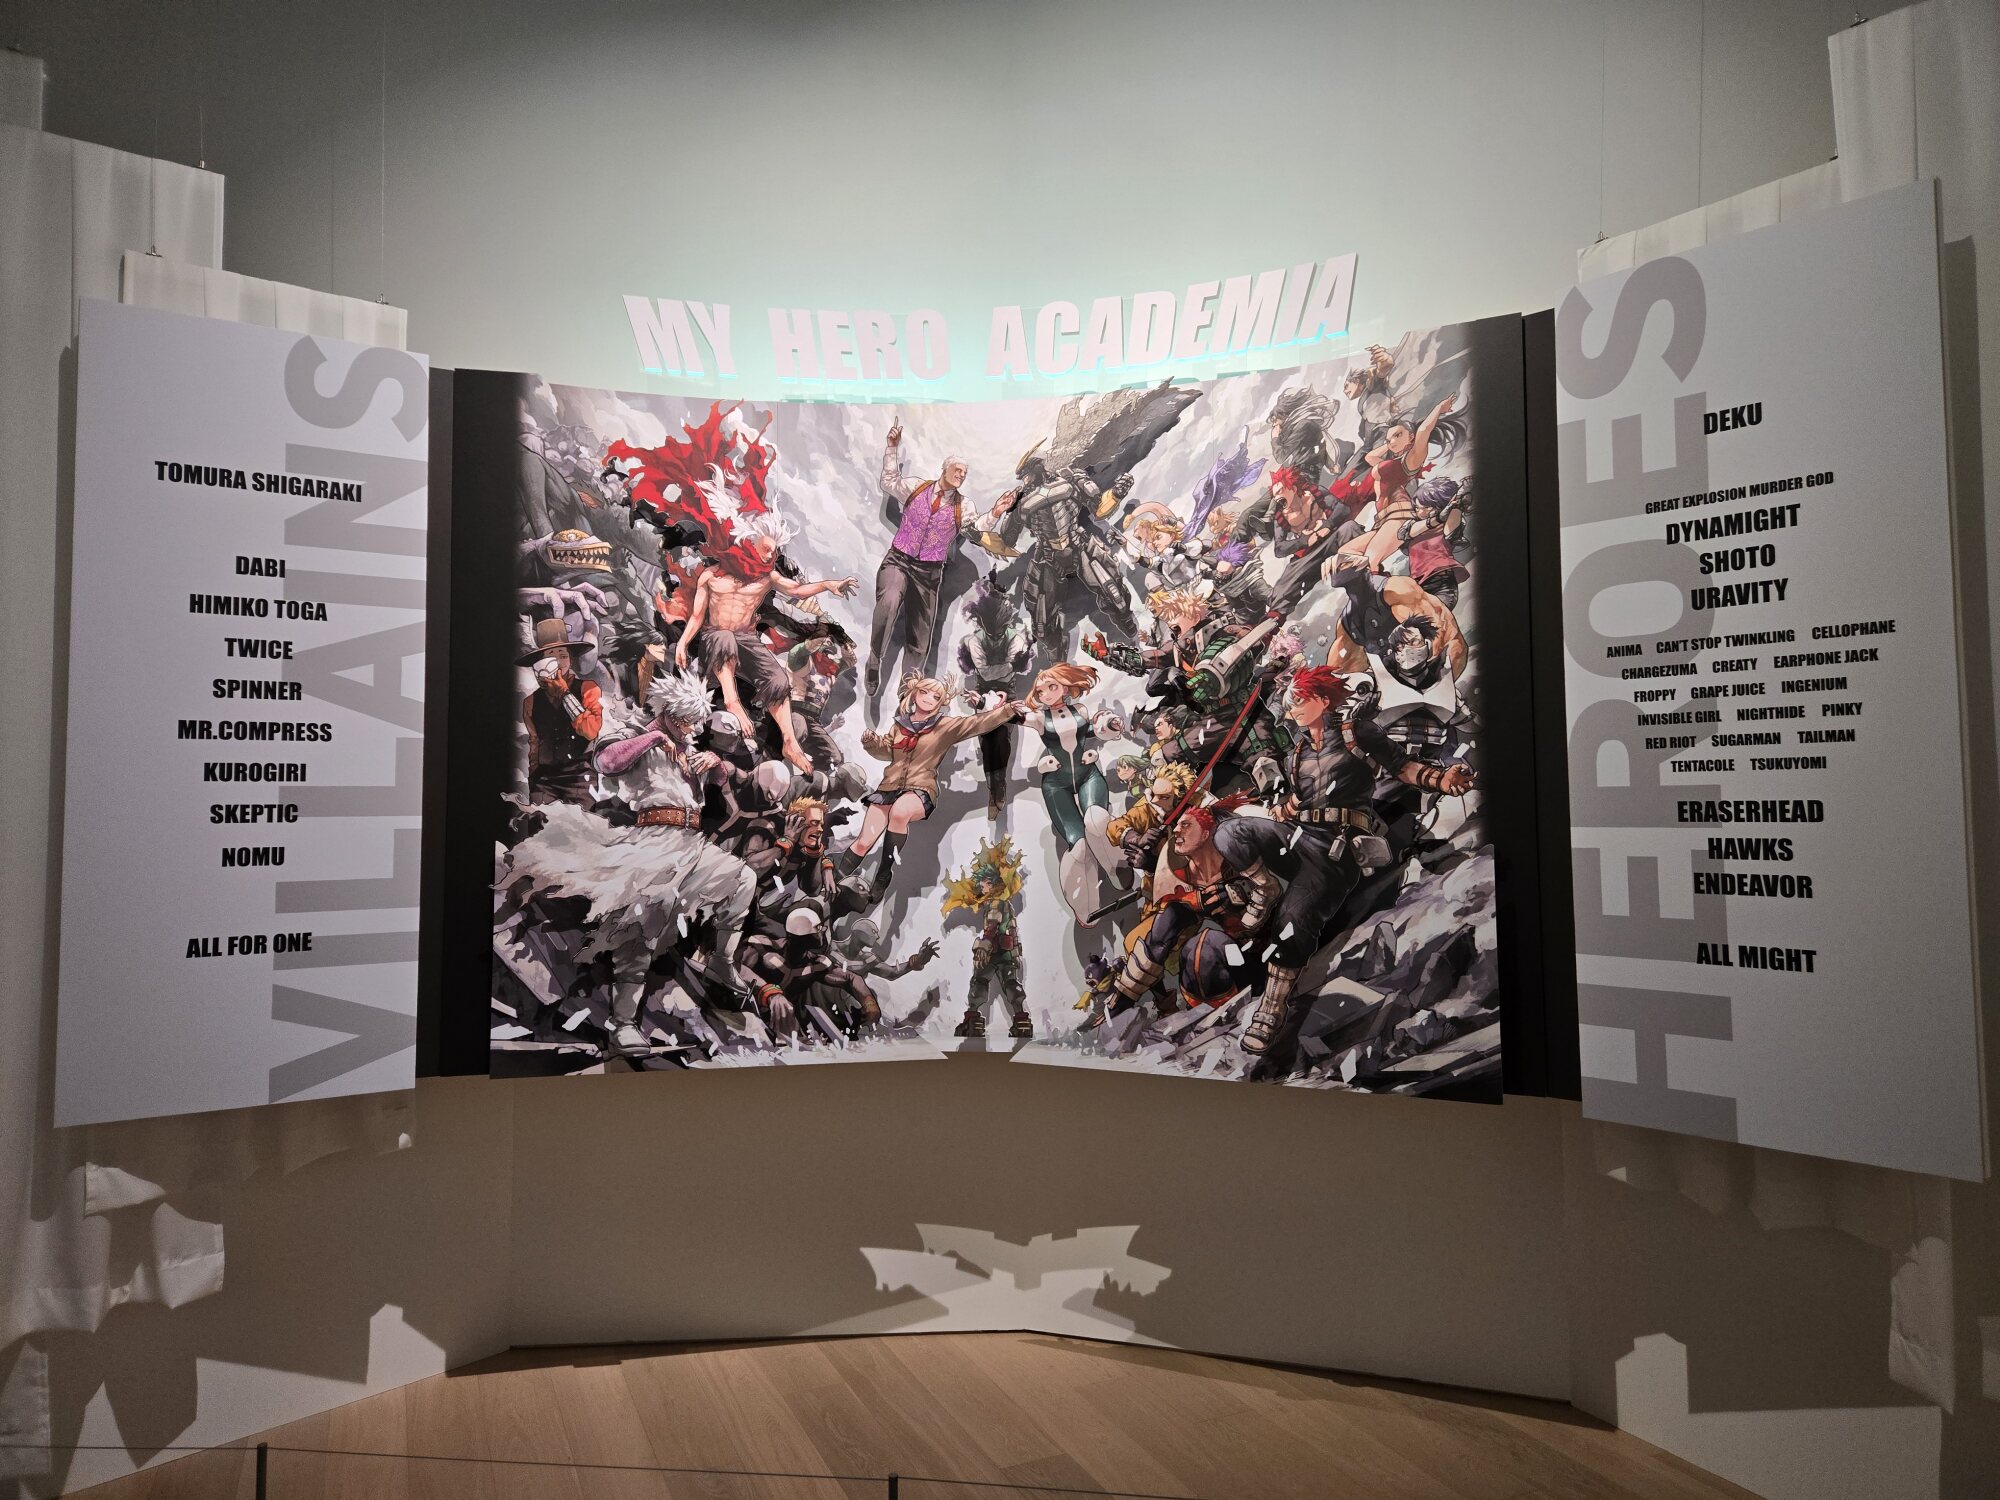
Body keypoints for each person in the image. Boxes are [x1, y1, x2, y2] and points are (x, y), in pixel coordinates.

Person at [1242, 665, 1474, 1055]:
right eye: (1289, 703)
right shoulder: (1298, 752)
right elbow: (1296, 801)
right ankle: (1260, 892)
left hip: (1341, 842)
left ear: (1322, 700)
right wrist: (1272, 813)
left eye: (1298, 701)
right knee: (1235, 831)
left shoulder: (1356, 733)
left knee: (1294, 917)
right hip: (1302, 836)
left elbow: (1402, 767)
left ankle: (1271, 1010)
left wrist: (1441, 780)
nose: (1292, 710)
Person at [674, 505, 857, 774]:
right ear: (749, 543)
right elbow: (697, 616)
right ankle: (733, 703)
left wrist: (828, 585)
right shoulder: (711, 576)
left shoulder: (766, 578)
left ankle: (790, 742)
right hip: (716, 636)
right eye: (767, 549)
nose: (771, 555)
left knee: (778, 679)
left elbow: (796, 590)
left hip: (746, 638)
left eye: (774, 551)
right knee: (724, 637)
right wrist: (682, 643)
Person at [869, 423, 1010, 722]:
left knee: (920, 640)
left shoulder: (963, 506)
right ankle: (875, 658)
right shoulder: (918, 487)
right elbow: (889, 481)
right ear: (944, 470)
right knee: (889, 601)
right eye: (957, 470)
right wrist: (892, 447)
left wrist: (996, 512)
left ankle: (906, 699)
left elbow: (977, 529)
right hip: (899, 559)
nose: (961, 475)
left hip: (930, 573)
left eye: (964, 473)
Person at [848, 675, 1022, 899]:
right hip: (888, 788)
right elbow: (885, 751)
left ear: (941, 702)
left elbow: (976, 724)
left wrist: (1006, 710)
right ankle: (830, 885)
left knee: (899, 812)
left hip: (920, 789)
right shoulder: (900, 725)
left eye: (936, 696)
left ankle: (883, 874)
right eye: (924, 692)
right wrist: (871, 742)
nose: (929, 698)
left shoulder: (944, 726)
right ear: (914, 694)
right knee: (863, 842)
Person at [1021, 662, 1122, 853]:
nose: (1046, 694)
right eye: (1040, 691)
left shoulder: (1080, 710)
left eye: (1052, 687)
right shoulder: (1039, 717)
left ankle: (1115, 859)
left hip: (1088, 775)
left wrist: (1109, 725)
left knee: (1097, 821)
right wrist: (986, 703)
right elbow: (1013, 717)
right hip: (1056, 784)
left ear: (1065, 687)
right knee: (1077, 842)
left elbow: (1092, 730)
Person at [518, 618, 603, 804]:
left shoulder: (587, 689)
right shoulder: (531, 701)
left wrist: (565, 693)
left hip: (579, 777)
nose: (558, 662)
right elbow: (534, 741)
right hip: (544, 780)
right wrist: (534, 773)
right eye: (551, 656)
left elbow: (590, 731)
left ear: (571, 661)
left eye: (563, 656)